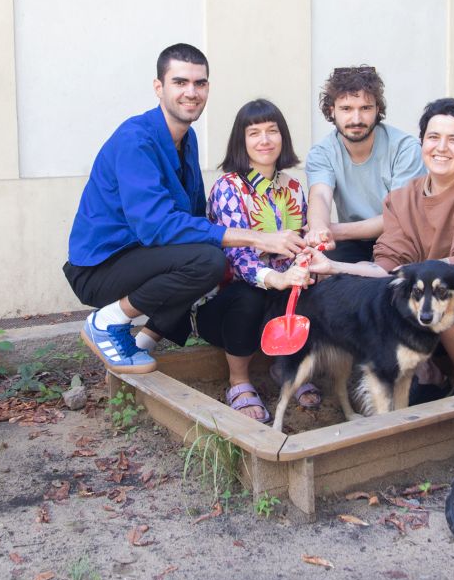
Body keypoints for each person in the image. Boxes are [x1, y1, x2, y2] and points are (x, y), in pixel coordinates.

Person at [63, 44, 305, 374]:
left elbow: (192, 219)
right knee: (207, 259)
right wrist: (259, 239)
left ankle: (141, 343)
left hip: (143, 256)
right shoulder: (136, 140)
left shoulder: (185, 140)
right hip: (100, 267)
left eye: (200, 83)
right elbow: (156, 226)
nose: (191, 92)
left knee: (209, 256)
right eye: (180, 83)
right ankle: (106, 323)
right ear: (158, 87)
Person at [304, 97, 454, 395]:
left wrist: (411, 275)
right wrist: (333, 267)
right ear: (422, 144)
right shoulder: (403, 198)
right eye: (433, 137)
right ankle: (428, 376)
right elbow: (386, 267)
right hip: (438, 323)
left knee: (450, 294)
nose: (441, 148)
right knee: (394, 293)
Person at [193, 99, 314, 421]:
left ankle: (285, 366)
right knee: (249, 295)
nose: (265, 140)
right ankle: (239, 381)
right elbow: (238, 257)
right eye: (254, 132)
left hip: (279, 298)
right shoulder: (228, 188)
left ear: (282, 137)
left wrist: (302, 269)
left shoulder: (292, 187)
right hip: (227, 307)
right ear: (241, 141)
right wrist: (278, 278)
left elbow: (301, 240)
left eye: (272, 131)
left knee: (314, 287)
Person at [304, 65, 425, 263]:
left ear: (378, 110)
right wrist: (318, 227)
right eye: (346, 109)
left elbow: (399, 217)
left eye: (365, 108)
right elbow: (320, 196)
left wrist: (333, 230)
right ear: (331, 111)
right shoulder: (322, 153)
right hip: (353, 242)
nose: (356, 119)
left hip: (401, 237)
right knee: (322, 273)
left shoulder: (406, 149)